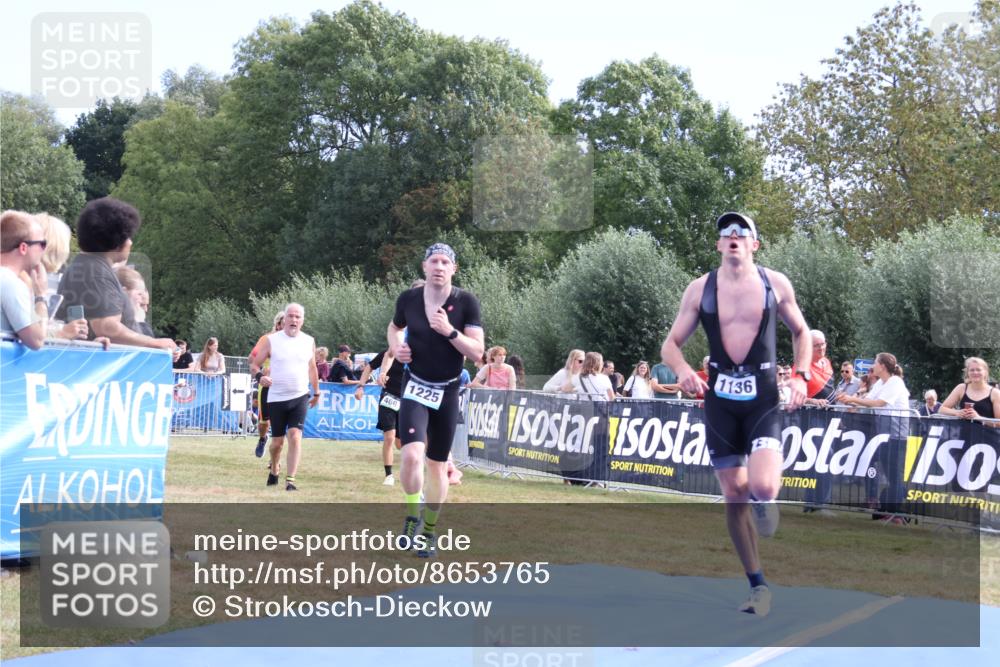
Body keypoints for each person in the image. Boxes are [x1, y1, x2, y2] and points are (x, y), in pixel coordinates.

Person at [661, 212, 811, 617]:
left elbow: (802, 332)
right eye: (725, 233)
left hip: (762, 398)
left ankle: (767, 499)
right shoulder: (700, 289)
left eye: (741, 232)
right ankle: (758, 585)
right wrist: (683, 371)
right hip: (720, 402)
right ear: (717, 245)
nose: (732, 237)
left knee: (761, 488)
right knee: (732, 495)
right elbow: (671, 344)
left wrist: (800, 376)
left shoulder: (774, 283)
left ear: (754, 244)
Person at [388, 243, 484, 558]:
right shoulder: (409, 299)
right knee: (412, 456)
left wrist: (449, 332)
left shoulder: (466, 302)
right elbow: (394, 327)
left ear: (454, 269)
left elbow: (478, 352)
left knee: (437, 466)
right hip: (415, 385)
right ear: (424, 267)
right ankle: (412, 516)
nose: (439, 266)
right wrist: (396, 348)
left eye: (445, 262)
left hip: (448, 390)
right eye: (434, 261)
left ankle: (429, 531)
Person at [55, 198, 174, 351]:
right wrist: (154, 343)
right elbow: (106, 327)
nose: (130, 243)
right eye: (128, 237)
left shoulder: (86, 267)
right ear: (117, 241)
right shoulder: (96, 272)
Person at [250, 303, 319, 491]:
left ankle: (291, 481)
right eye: (291, 316)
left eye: (298, 317)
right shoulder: (271, 340)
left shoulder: (308, 341)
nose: (294, 320)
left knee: (295, 436)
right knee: (277, 444)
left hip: (300, 396)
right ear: (284, 318)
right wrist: (260, 377)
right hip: (276, 397)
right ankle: (274, 468)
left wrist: (317, 391)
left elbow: (312, 368)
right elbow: (254, 365)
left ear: (302, 320)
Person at [836, 352, 911, 520]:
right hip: (883, 433)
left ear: (883, 366)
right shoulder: (881, 383)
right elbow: (869, 399)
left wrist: (851, 399)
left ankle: (896, 512)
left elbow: (879, 403)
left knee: (895, 475)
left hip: (897, 435)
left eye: (875, 363)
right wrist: (850, 400)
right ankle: (885, 507)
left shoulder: (895, 382)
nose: (873, 367)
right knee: (878, 466)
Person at [355, 347, 406, 486]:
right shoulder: (387, 353)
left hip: (407, 402)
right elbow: (369, 367)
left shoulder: (415, 354)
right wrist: (360, 386)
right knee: (389, 437)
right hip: (388, 398)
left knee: (400, 444)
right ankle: (389, 475)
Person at [1, 211, 52, 348]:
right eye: (42, 244)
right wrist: (41, 296)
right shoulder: (11, 283)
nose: (44, 250)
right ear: (23, 248)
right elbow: (37, 340)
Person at [249, 312, 285, 457]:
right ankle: (263, 438)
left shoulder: (298, 341)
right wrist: (261, 371)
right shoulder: (267, 339)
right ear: (278, 324)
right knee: (264, 422)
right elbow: (251, 359)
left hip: (286, 386)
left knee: (281, 422)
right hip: (267, 383)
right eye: (285, 322)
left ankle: (275, 460)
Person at [938, 357, 999, 426]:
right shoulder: (961, 388)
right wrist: (957, 412)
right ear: (968, 373)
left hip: (987, 435)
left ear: (985, 372)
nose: (975, 372)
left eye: (978, 370)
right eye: (972, 370)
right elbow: (942, 409)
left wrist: (979, 418)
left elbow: (998, 423)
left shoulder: (995, 393)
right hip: (963, 435)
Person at [115, 266, 154, 337]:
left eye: (146, 305)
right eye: (142, 304)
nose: (146, 310)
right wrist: (139, 320)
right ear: (124, 293)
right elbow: (146, 343)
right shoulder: (111, 325)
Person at [802, 330, 835, 405]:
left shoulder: (827, 362)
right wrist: (813, 401)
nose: (821, 348)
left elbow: (828, 389)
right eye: (816, 345)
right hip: (810, 414)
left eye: (823, 344)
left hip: (831, 413)